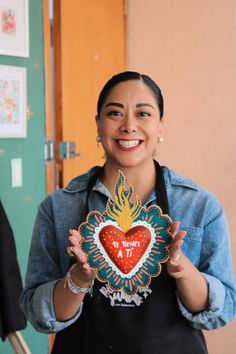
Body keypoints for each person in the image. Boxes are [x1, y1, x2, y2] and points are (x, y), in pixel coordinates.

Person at [20, 71, 236, 354]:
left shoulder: (200, 207)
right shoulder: (58, 208)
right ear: (98, 125)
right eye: (114, 113)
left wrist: (182, 270)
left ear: (161, 126)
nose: (129, 126)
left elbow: (223, 310)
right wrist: (78, 280)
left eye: (143, 114)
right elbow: (38, 314)